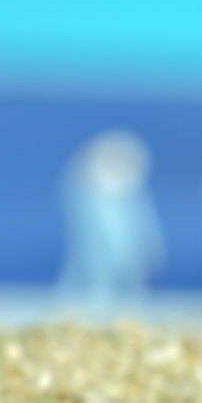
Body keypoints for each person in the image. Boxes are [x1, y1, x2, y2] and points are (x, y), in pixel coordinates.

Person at [58, 131, 164, 307]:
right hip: (94, 285)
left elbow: (141, 235)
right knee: (95, 264)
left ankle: (122, 304)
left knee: (123, 262)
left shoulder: (129, 200)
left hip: (125, 284)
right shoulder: (91, 203)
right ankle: (90, 304)